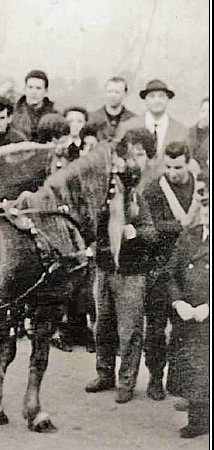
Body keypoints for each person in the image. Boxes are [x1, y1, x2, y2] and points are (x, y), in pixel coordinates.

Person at [86, 128, 160, 404]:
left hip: (131, 274)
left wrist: (135, 233)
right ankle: (104, 373)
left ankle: (126, 382)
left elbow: (152, 233)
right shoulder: (105, 196)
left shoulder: (137, 199)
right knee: (102, 325)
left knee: (129, 331)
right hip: (105, 269)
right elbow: (95, 228)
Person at [139, 141, 201, 401]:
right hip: (160, 267)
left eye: (178, 166)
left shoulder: (199, 189)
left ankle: (185, 383)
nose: (173, 172)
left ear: (188, 163)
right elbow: (152, 227)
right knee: (155, 327)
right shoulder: (155, 189)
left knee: (187, 328)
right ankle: (155, 378)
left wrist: (176, 226)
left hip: (191, 268)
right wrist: (183, 225)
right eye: (168, 166)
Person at [164, 176, 210, 437]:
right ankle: (198, 412)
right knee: (192, 364)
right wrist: (177, 300)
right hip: (189, 313)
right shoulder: (190, 237)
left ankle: (201, 417)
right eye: (205, 207)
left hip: (207, 315)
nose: (208, 214)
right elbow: (171, 272)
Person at [118, 80, 187, 168]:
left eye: (161, 96)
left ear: (167, 99)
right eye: (152, 96)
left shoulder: (179, 129)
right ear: (145, 100)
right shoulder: (128, 126)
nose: (157, 100)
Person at [86, 76, 138, 143]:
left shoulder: (133, 120)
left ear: (125, 94)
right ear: (105, 93)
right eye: (109, 92)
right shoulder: (91, 118)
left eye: (117, 92)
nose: (113, 95)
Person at [11, 70, 57, 137]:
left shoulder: (55, 115)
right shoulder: (12, 113)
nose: (34, 92)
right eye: (30, 87)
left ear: (46, 91)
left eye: (38, 88)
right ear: (25, 89)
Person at [190, 97, 210, 173]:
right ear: (199, 112)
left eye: (209, 112)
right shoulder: (188, 132)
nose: (206, 115)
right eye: (203, 111)